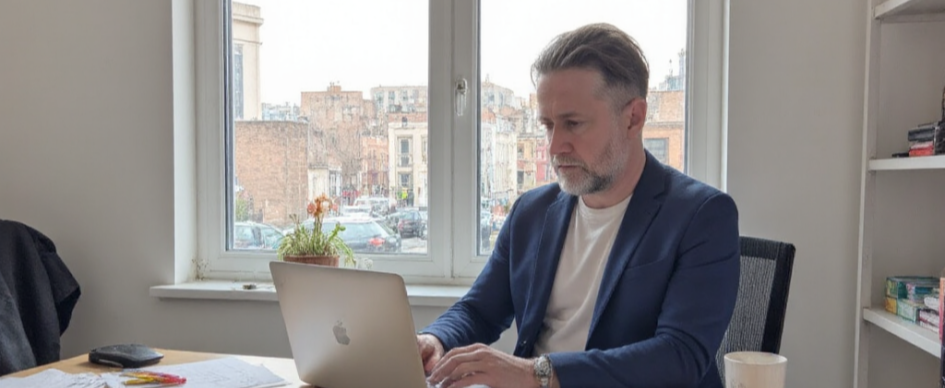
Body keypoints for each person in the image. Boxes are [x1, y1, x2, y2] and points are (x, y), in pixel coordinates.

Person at [418, 23, 740, 388]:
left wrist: (535, 374)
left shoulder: (702, 216)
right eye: (547, 125)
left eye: (573, 123)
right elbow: (479, 310)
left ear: (633, 118)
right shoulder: (531, 212)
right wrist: (435, 339)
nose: (555, 146)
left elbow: (679, 357)